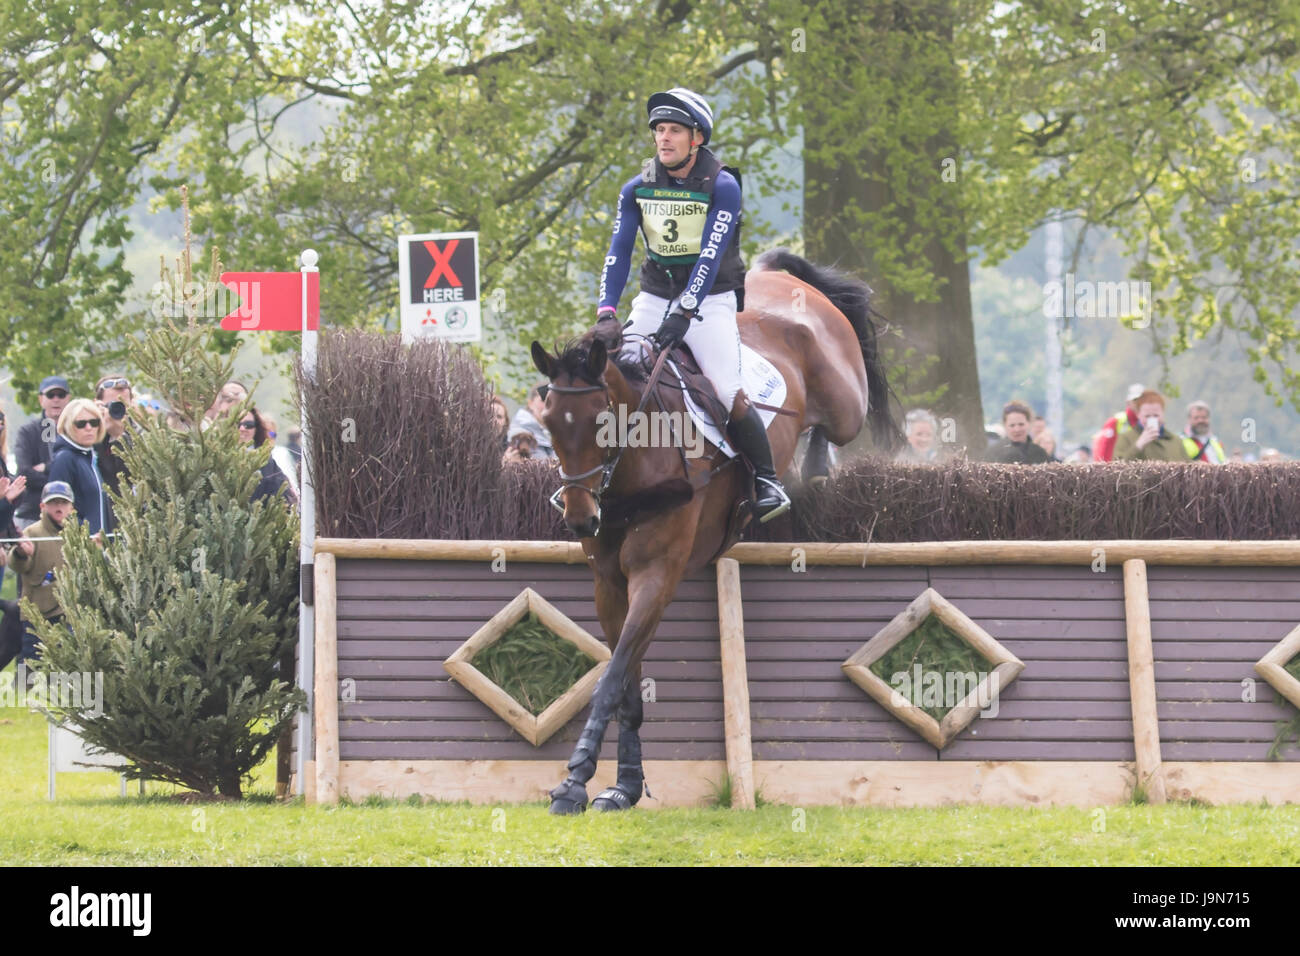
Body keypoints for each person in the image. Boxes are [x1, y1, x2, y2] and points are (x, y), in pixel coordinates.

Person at [594, 89, 789, 522]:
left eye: (674, 131)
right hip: (653, 298)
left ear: (696, 138)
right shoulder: (637, 188)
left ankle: (766, 478)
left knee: (724, 388)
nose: (664, 139)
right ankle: (594, 480)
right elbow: (619, 252)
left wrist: (685, 311)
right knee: (613, 378)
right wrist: (607, 312)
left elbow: (711, 254)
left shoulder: (722, 185)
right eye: (659, 130)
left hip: (711, 300)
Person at [8, 480, 74, 671]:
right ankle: (20, 696)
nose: (59, 508)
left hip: (67, 613)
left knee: (65, 665)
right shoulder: (32, 532)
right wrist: (21, 553)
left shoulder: (76, 534)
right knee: (30, 661)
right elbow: (19, 566)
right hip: (37, 613)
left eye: (63, 503)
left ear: (72, 507)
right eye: (53, 503)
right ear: (42, 506)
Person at [48, 399, 113, 535]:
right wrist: (85, 535)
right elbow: (56, 509)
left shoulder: (91, 457)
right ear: (68, 426)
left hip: (103, 546)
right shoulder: (65, 459)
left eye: (94, 422)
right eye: (81, 424)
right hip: (83, 548)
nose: (89, 428)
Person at [14, 376, 71, 528]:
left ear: (68, 398)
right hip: (32, 515)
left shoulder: (80, 429)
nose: (56, 399)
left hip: (72, 516)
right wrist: (63, 485)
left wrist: (45, 468)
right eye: (51, 395)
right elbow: (24, 473)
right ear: (41, 399)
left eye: (61, 395)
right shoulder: (27, 432)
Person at [238, 407, 298, 506]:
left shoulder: (267, 460)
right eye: (237, 424)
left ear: (257, 428)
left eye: (249, 425)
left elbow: (283, 491)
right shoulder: (219, 458)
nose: (242, 429)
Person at [1113, 390, 1191, 461]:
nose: (1152, 419)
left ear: (1163, 413)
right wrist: (1138, 445)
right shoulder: (1126, 438)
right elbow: (1118, 467)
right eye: (1147, 416)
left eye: (1156, 415)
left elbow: (1188, 468)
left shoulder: (1175, 440)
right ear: (1138, 415)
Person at [94, 374, 134, 496]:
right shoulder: (87, 432)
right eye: (111, 405)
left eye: (123, 406)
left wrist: (120, 437)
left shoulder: (142, 435)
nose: (117, 411)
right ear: (97, 404)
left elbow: (128, 481)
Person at [1092, 383, 1145, 462]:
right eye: (1135, 400)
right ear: (1128, 402)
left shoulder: (1149, 423)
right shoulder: (1115, 422)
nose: (1139, 403)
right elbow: (1103, 450)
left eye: (1142, 400)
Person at [985, 401, 1051, 464]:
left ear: (1029, 423)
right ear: (1005, 425)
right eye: (1012, 425)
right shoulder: (994, 452)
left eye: (1021, 424)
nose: (1017, 429)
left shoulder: (1039, 453)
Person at [259, 411, 301, 500]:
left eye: (273, 434)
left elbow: (291, 480)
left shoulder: (282, 453)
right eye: (266, 432)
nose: (270, 437)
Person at [506, 386, 556, 460]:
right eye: (543, 400)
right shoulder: (520, 434)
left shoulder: (554, 434)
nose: (548, 405)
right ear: (530, 403)